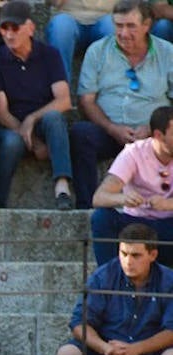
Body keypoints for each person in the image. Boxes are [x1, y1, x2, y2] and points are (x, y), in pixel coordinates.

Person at [70, 0, 173, 209]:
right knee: (80, 134)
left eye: (131, 26)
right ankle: (88, 206)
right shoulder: (98, 51)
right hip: (110, 131)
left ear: (147, 25)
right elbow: (86, 100)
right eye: (118, 25)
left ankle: (164, 207)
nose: (124, 33)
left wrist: (154, 130)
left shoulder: (168, 53)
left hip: (152, 138)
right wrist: (111, 128)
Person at [0, 1, 75, 209]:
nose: (9, 35)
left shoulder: (50, 55)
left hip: (43, 122)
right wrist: (33, 142)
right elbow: (1, 113)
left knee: (55, 118)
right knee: (12, 142)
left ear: (31, 28)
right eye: (4, 28)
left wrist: (32, 119)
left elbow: (64, 100)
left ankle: (62, 188)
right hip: (10, 126)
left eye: (15, 28)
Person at [59, 222, 173, 355]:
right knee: (67, 354)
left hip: (149, 353)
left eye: (136, 255)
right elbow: (79, 323)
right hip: (104, 352)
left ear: (153, 255)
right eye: (124, 254)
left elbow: (171, 330)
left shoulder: (169, 281)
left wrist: (136, 349)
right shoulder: (104, 276)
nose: (128, 261)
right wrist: (106, 348)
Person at [90, 105, 173, 262]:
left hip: (169, 226)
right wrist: (123, 199)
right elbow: (99, 197)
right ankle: (109, 279)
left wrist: (167, 204)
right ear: (159, 135)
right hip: (135, 226)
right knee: (102, 218)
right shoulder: (134, 153)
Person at [47, 0, 118, 80]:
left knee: (111, 26)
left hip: (107, 18)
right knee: (61, 26)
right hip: (69, 19)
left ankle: (112, 88)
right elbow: (53, 2)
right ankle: (60, 86)